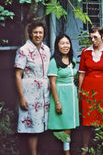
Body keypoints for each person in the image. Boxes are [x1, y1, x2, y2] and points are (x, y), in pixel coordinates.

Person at [79, 26, 103, 155]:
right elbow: (81, 74)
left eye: (95, 37)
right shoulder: (85, 52)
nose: (93, 40)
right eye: (91, 38)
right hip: (88, 90)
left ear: (102, 36)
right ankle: (85, 149)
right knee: (87, 121)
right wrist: (80, 92)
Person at [14, 21, 50, 155]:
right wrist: (22, 97)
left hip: (44, 93)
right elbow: (18, 75)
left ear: (44, 34)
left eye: (40, 32)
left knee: (41, 125)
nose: (38, 35)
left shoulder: (46, 49)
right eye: (35, 32)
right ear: (30, 33)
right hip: (30, 93)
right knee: (32, 127)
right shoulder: (24, 50)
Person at [48, 34, 79, 155]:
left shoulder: (73, 61)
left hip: (72, 95)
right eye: (62, 43)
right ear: (57, 46)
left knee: (69, 125)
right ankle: (66, 152)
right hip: (61, 95)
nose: (65, 46)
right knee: (63, 124)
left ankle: (67, 150)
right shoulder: (54, 62)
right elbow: (52, 83)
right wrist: (57, 102)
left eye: (67, 43)